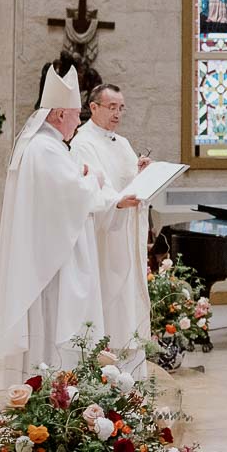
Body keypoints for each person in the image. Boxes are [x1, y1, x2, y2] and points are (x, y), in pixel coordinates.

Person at [0, 64, 139, 380]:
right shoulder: (44, 149)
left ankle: (57, 382)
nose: (78, 121)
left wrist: (87, 182)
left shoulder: (48, 146)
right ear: (58, 115)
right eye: (75, 114)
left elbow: (66, 189)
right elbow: (71, 194)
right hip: (54, 262)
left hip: (52, 253)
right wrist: (93, 178)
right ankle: (54, 383)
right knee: (55, 321)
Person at [69, 83, 153, 377]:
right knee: (109, 305)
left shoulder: (123, 142)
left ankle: (132, 378)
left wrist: (142, 173)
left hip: (126, 238)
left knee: (128, 307)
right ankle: (105, 375)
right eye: (112, 107)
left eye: (121, 107)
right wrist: (116, 203)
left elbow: (130, 184)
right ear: (93, 107)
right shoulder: (82, 143)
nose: (118, 113)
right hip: (104, 239)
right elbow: (89, 191)